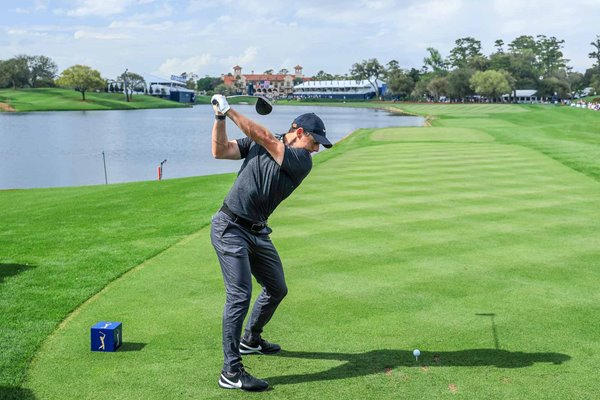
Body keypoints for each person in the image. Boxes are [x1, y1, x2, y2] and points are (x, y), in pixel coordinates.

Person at [209, 94, 332, 391]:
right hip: (229, 227)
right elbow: (220, 151)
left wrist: (230, 109)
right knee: (239, 295)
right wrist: (220, 118)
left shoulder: (301, 161)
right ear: (299, 132)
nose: (316, 149)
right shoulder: (264, 142)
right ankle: (231, 370)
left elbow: (262, 135)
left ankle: (251, 339)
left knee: (277, 288)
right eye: (315, 142)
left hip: (257, 232)